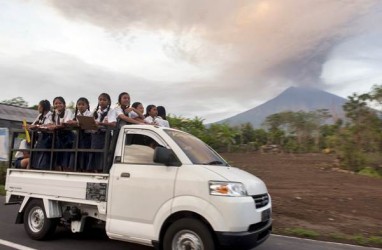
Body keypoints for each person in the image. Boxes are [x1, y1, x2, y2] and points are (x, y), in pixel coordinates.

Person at [87, 93, 117, 172]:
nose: (102, 101)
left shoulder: (111, 111)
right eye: (100, 100)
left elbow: (113, 124)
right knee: (94, 155)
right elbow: (90, 122)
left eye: (104, 100)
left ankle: (102, 171)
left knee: (103, 156)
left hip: (105, 136)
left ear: (109, 102)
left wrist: (101, 123)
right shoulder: (95, 111)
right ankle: (94, 171)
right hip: (95, 136)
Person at [67, 97, 92, 171]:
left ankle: (84, 169)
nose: (81, 106)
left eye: (83, 104)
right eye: (79, 104)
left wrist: (76, 123)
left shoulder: (90, 114)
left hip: (87, 136)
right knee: (76, 153)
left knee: (84, 153)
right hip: (78, 136)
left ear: (87, 105)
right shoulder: (76, 114)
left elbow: (86, 123)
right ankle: (76, 168)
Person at [27, 99, 53, 170]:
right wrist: (28, 126)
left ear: (42, 107)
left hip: (47, 138)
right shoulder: (40, 116)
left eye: (39, 106)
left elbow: (48, 126)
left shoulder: (51, 115)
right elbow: (33, 125)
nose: (38, 108)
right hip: (40, 138)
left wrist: (36, 127)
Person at [51, 96, 74, 171]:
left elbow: (65, 123)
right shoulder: (54, 113)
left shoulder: (68, 111)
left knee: (66, 158)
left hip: (67, 137)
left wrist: (55, 126)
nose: (58, 105)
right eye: (56, 103)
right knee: (58, 158)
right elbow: (53, 124)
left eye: (60, 103)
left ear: (64, 104)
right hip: (58, 137)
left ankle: (67, 172)